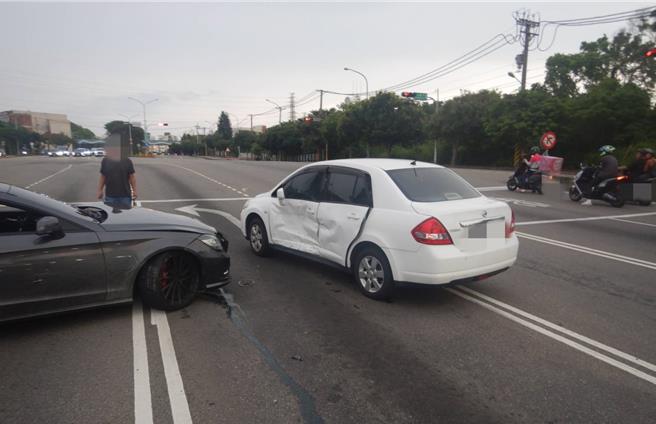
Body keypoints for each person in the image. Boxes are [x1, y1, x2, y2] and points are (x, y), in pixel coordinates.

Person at [97, 142, 137, 209]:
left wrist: (135, 191)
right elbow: (103, 176)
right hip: (110, 195)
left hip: (125, 196)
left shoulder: (127, 161)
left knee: (125, 216)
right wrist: (100, 190)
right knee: (111, 217)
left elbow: (132, 177)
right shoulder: (105, 161)